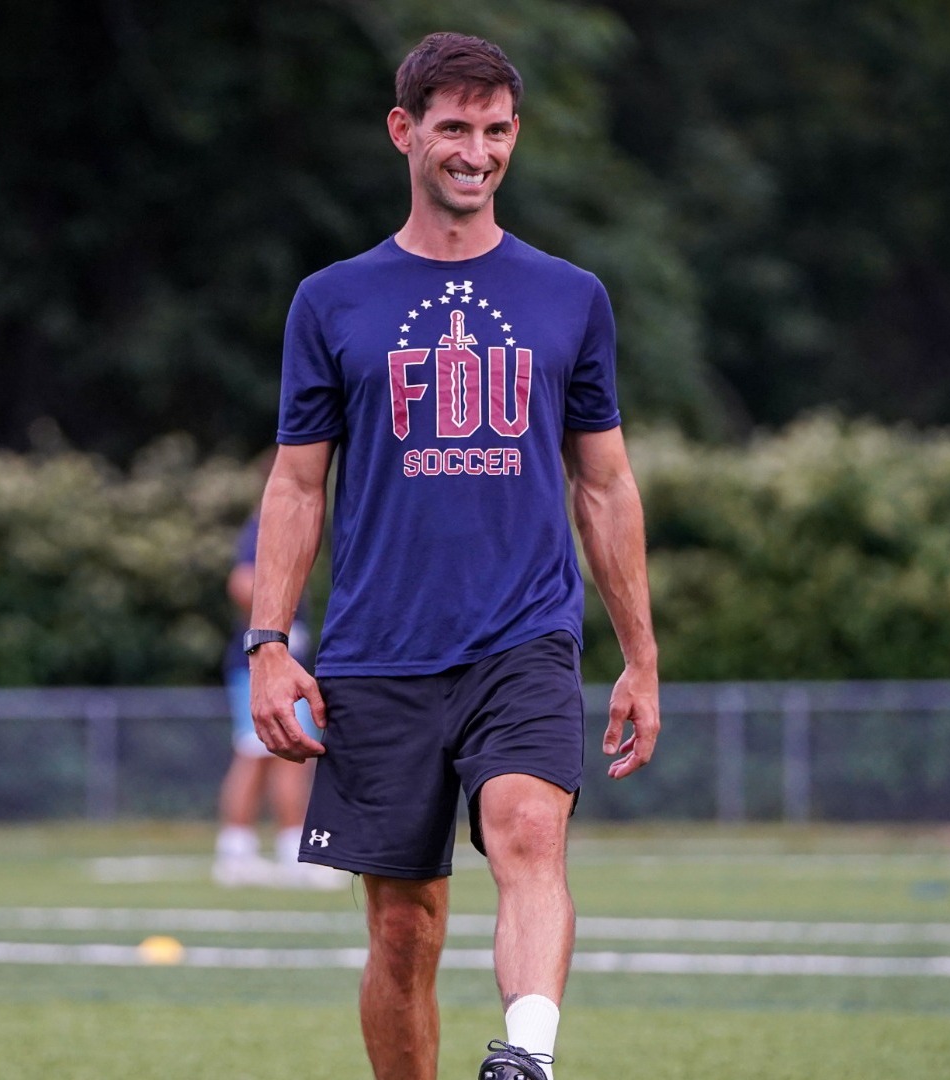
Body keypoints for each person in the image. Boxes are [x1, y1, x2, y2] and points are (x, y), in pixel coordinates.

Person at [244, 32, 660, 1080]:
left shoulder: (571, 297)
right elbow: (295, 486)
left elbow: (603, 484)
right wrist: (266, 642)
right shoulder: (329, 302)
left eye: (494, 130)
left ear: (513, 137)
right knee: (403, 930)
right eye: (452, 128)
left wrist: (639, 656)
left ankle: (526, 1058)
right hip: (376, 649)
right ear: (405, 132)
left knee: (526, 832)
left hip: (523, 635)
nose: (474, 150)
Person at [213, 503, 342, 890]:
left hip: (272, 660)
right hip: (263, 663)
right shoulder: (271, 520)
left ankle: (249, 850)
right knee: (270, 753)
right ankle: (280, 853)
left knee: (271, 755)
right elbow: (242, 582)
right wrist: (273, 628)